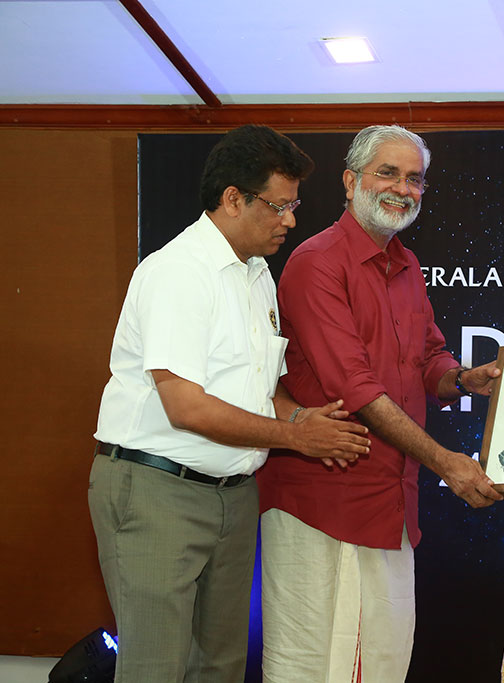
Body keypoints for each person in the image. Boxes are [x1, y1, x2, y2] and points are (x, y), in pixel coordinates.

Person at [89, 124, 372, 683]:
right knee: (155, 669)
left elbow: (259, 391)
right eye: (279, 206)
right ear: (233, 199)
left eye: (294, 206)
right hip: (157, 490)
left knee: (219, 666)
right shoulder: (178, 272)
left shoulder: (257, 274)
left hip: (234, 495)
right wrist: (295, 437)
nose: (290, 221)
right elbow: (186, 407)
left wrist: (301, 417)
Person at [257, 124, 504, 683]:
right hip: (323, 501)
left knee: (383, 663)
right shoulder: (317, 262)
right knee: (313, 667)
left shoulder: (406, 264)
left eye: (414, 179)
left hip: (391, 503)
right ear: (350, 182)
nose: (402, 188)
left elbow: (428, 358)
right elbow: (357, 388)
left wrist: (464, 380)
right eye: (387, 173)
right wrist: (445, 462)